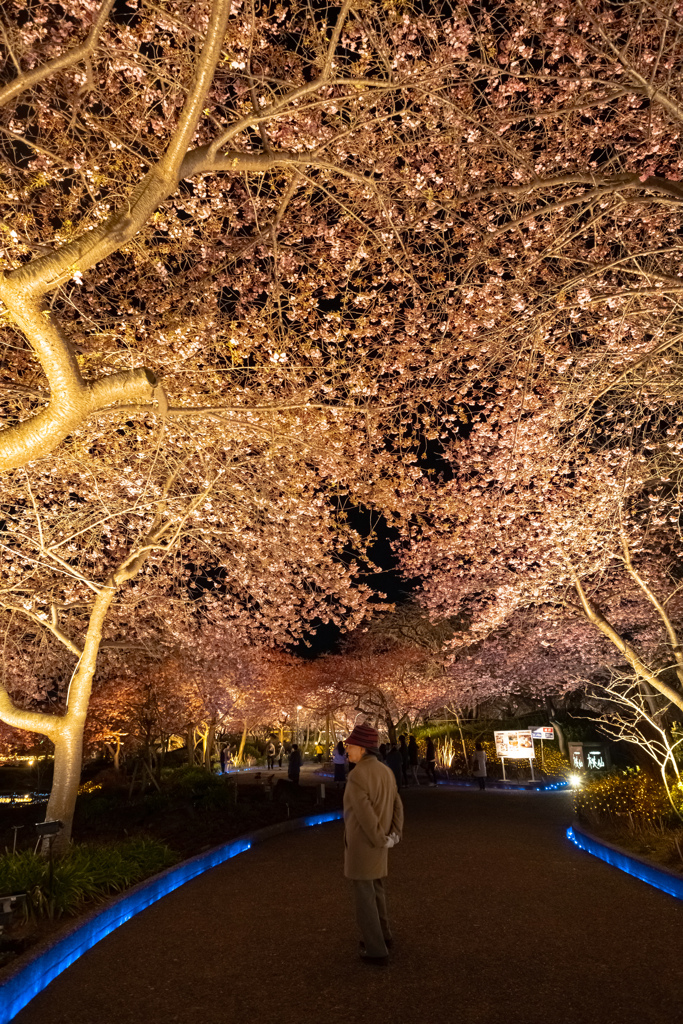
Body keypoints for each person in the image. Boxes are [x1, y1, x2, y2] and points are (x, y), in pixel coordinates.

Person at [343, 721, 404, 967]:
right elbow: (398, 804)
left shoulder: (358, 775)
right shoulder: (385, 771)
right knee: (377, 890)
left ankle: (375, 948)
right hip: (381, 844)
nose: (347, 749)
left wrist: (379, 838)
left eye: (351, 745)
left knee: (364, 898)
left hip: (363, 845)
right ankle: (384, 935)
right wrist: (394, 835)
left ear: (363, 748)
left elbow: (364, 814)